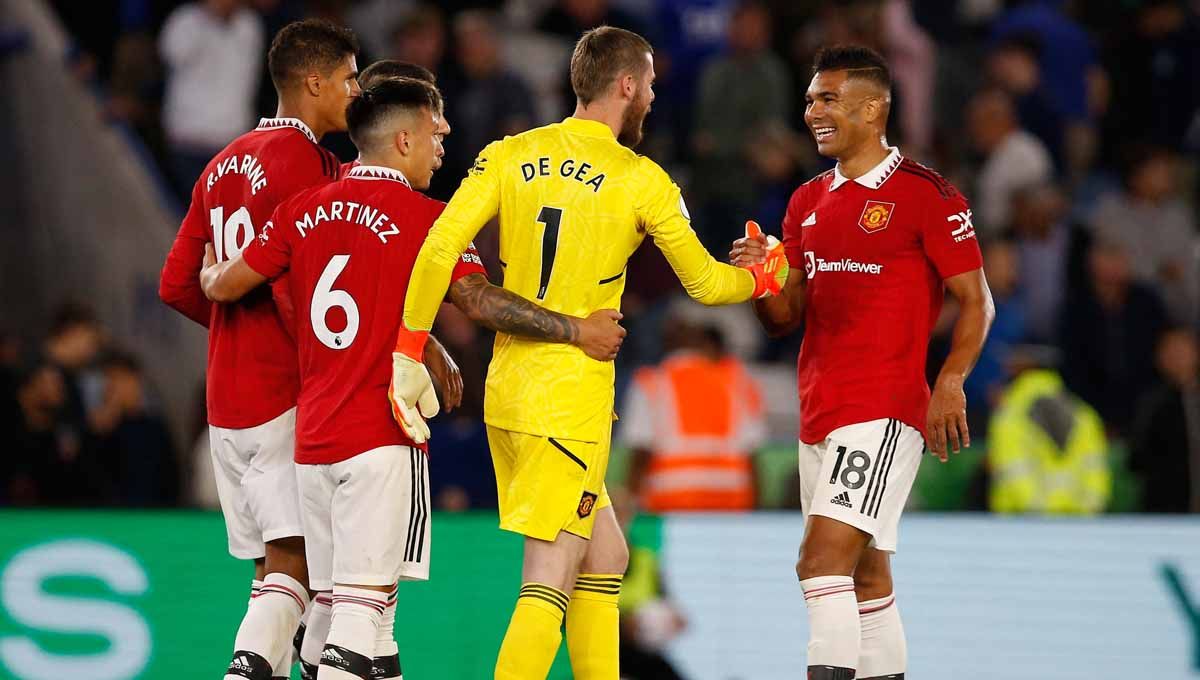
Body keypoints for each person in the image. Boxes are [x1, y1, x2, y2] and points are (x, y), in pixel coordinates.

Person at [388, 26, 785, 680]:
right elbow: (707, 284)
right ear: (626, 84)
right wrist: (763, 277)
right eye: (651, 82)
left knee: (607, 559)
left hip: (510, 389)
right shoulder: (641, 180)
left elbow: (437, 250)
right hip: (567, 403)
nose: (655, 96)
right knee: (549, 579)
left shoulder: (509, 153)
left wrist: (408, 351)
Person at [198, 78, 627, 680]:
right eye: (435, 130)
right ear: (404, 139)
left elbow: (231, 285)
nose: (443, 141)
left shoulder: (301, 210)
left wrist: (210, 270)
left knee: (330, 608)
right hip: (380, 434)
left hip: (312, 441)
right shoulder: (430, 219)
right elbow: (477, 300)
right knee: (361, 612)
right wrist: (576, 331)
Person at [732, 45, 993, 679]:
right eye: (810, 100)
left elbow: (976, 302)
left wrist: (950, 380)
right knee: (866, 573)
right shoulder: (805, 201)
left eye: (827, 99)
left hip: (881, 411)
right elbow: (784, 316)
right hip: (819, 411)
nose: (812, 111)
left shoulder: (927, 195)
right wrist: (763, 279)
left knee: (820, 562)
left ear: (873, 107)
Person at [158, 19, 360, 680]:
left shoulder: (222, 161)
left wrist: (231, 324)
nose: (356, 91)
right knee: (302, 564)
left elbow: (177, 285)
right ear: (313, 81)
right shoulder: (306, 164)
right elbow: (298, 284)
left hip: (226, 399)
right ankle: (244, 671)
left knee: (276, 572)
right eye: (349, 77)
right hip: (283, 395)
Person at [621, 321, 766, 511]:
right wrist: (757, 510)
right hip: (732, 502)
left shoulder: (652, 382)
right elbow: (752, 453)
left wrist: (630, 504)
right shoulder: (739, 381)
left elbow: (641, 451)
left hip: (671, 501)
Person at [159, 0, 265, 199]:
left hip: (231, 146)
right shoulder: (185, 22)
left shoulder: (249, 26)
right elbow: (172, 56)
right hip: (187, 140)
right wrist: (209, 18)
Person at [1130, 328, 1200, 513]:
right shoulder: (1151, 404)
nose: (1177, 357)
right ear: (1159, 358)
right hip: (1164, 513)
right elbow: (1136, 459)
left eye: (1182, 350)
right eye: (1170, 351)